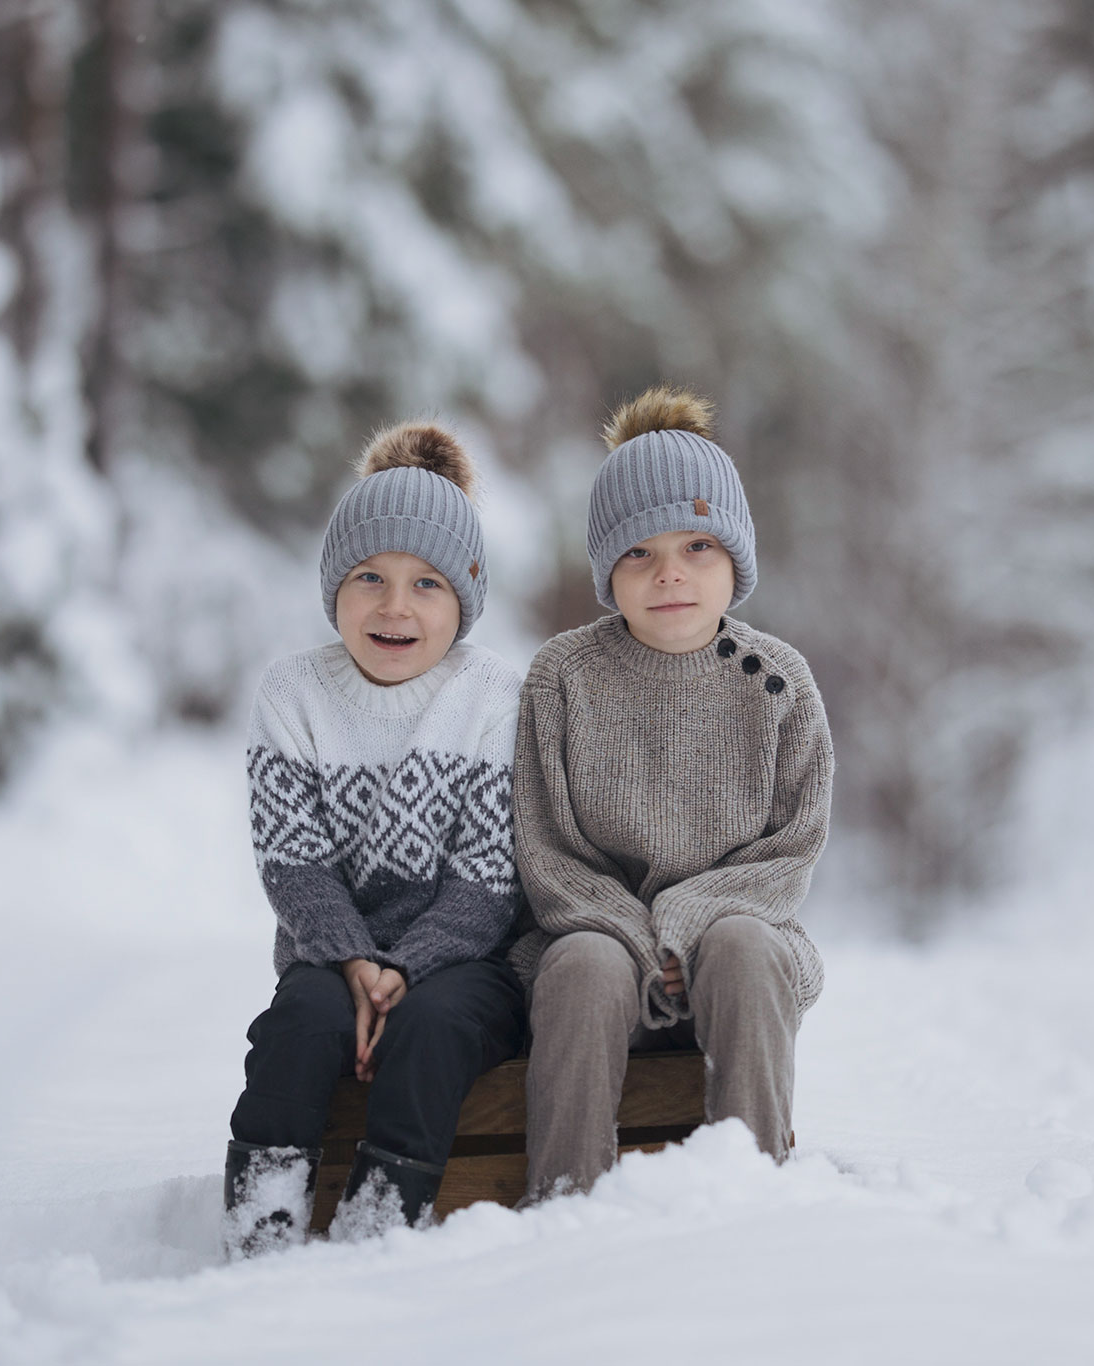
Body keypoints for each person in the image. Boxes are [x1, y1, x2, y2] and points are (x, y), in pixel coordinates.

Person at [509, 385, 832, 1201]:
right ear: (606, 571)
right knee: (580, 967)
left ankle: (752, 1185)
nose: (670, 575)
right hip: (598, 941)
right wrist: (641, 940)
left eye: (697, 548)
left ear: (735, 560)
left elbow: (789, 852)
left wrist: (686, 928)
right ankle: (564, 1199)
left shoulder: (777, 684)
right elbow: (545, 852)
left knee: (747, 947)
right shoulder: (563, 678)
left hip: (732, 946)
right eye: (639, 555)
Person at [225, 421, 525, 1253]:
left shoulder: (495, 696)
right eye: (371, 578)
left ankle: (378, 1228)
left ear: (463, 599)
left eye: (428, 584)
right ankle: (260, 1223)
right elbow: (295, 865)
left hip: (465, 961)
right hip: (330, 951)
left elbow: (488, 884)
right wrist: (355, 961)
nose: (396, 606)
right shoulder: (294, 693)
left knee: (433, 1029)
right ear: (335, 588)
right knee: (299, 1026)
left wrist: (401, 971)